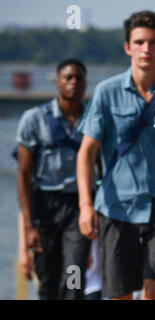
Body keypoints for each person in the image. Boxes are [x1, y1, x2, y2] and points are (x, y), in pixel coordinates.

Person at [77, 10, 155, 300]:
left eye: (153, 42)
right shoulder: (106, 92)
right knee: (119, 294)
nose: (146, 49)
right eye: (139, 42)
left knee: (154, 288)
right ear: (127, 47)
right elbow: (87, 152)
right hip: (115, 206)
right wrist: (85, 206)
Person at [15, 58, 91, 300]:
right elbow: (24, 174)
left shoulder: (93, 118)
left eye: (79, 78)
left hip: (78, 206)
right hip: (45, 206)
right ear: (58, 82)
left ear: (85, 83)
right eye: (68, 78)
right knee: (47, 278)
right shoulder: (34, 119)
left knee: (74, 272)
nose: (73, 83)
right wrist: (28, 225)